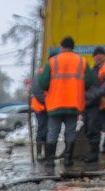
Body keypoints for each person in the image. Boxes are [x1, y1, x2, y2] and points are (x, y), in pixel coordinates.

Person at [36, 36, 95, 168]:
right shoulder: (82, 61)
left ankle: (50, 160)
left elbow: (43, 82)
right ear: (73, 47)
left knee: (53, 132)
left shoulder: (52, 61)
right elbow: (91, 81)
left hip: (55, 103)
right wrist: (78, 86)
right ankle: (68, 160)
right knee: (70, 132)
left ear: (61, 47)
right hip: (73, 103)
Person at [83, 46, 105, 163]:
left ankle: (99, 152)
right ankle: (93, 152)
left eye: (100, 54)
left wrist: (95, 94)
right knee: (91, 127)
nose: (98, 56)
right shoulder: (92, 69)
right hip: (95, 104)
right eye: (96, 55)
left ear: (104, 55)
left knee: (102, 128)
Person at [30, 85, 48, 164]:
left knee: (47, 130)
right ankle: (40, 154)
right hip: (41, 107)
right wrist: (48, 101)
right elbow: (37, 91)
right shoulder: (41, 75)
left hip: (47, 106)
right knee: (42, 129)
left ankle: (46, 153)